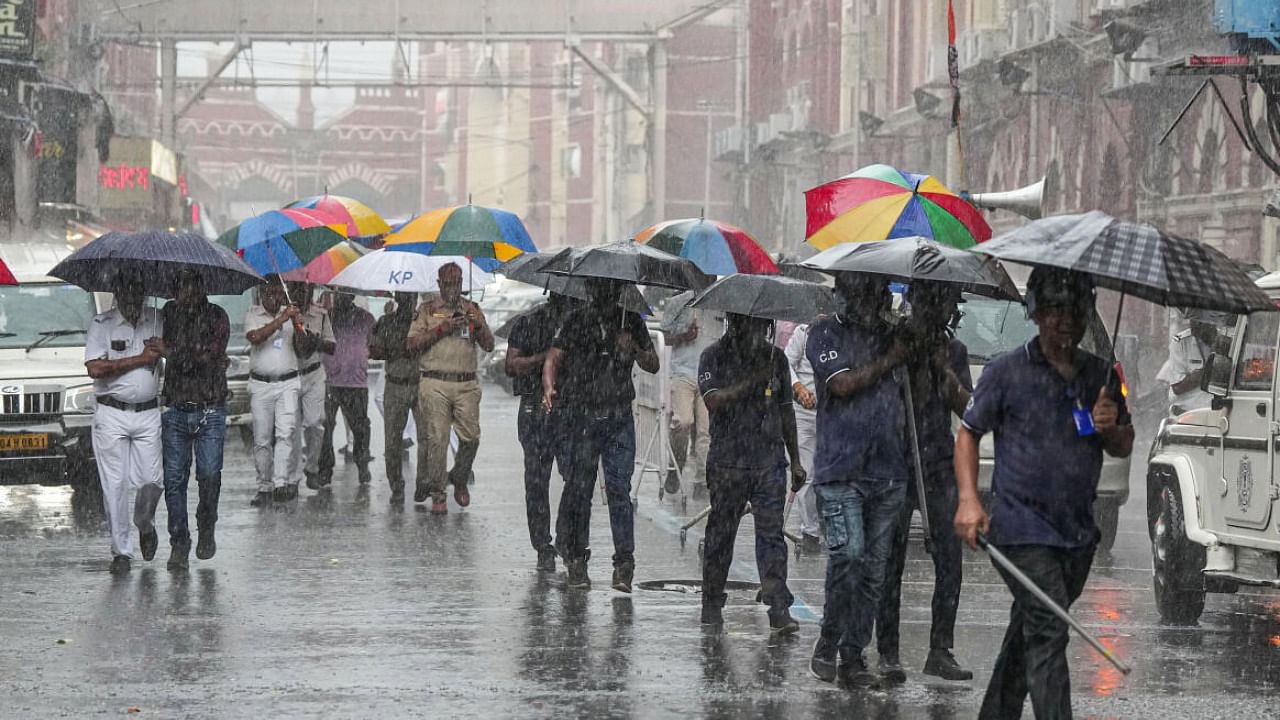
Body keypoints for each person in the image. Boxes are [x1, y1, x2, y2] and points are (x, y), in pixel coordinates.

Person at [955, 268, 1134, 720]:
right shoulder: (1005, 371)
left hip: (1076, 533)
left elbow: (1123, 443)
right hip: (1020, 528)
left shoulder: (1100, 376)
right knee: (1049, 628)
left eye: (1073, 310)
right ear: (1035, 312)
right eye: (1054, 310)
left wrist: (1109, 425)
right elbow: (969, 433)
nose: (1065, 321)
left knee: (1033, 624)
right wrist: (969, 500)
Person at [806, 273, 910, 687]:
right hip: (840, 467)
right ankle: (828, 639)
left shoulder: (892, 335)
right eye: (859, 292)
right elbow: (844, 385)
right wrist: (890, 358)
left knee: (873, 572)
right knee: (848, 555)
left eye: (876, 291)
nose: (868, 301)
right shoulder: (823, 333)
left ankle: (852, 655)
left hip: (888, 470)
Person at [874, 282, 973, 684]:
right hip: (896, 462)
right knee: (890, 560)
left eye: (951, 304)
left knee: (950, 558)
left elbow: (967, 406)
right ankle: (888, 651)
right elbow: (881, 398)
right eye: (943, 301)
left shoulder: (953, 351)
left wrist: (939, 367)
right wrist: (904, 362)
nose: (948, 310)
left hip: (937, 462)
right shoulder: (891, 344)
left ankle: (940, 648)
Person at [543, 278, 659, 592]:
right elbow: (554, 355)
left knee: (619, 490)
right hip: (583, 416)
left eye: (611, 289)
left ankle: (624, 563)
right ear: (591, 291)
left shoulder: (631, 320)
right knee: (580, 488)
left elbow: (653, 363)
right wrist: (549, 386)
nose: (605, 296)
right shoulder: (576, 320)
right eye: (599, 289)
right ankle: (577, 560)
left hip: (618, 415)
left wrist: (632, 347)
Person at [698, 312, 806, 634]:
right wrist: (749, 383)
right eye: (748, 323)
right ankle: (712, 601)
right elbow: (714, 401)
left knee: (771, 537)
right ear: (735, 322)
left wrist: (796, 459)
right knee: (720, 534)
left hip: (768, 461)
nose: (755, 330)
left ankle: (778, 607)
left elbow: (786, 409)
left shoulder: (776, 359)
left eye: (761, 324)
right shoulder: (713, 356)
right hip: (727, 462)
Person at [85, 269, 165, 575]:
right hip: (111, 413)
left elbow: (171, 357)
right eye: (127, 291)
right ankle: (121, 551)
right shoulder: (101, 324)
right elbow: (94, 368)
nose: (133, 297)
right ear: (118, 294)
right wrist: (140, 359)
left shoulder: (158, 319)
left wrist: (164, 351)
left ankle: (145, 524)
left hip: (148, 413)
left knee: (152, 480)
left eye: (138, 291)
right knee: (115, 485)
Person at [406, 263, 493, 513]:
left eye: (457, 283)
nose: (453, 288)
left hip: (465, 383)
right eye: (448, 283)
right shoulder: (427, 310)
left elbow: (488, 345)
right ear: (439, 284)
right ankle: (438, 493)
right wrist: (442, 329)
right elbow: (412, 344)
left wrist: (480, 325)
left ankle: (460, 476)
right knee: (437, 438)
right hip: (435, 381)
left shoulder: (472, 308)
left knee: (471, 438)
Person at [159, 269, 230, 570]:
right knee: (174, 481)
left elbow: (207, 358)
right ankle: (179, 541)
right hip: (176, 407)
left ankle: (207, 523)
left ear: (201, 289)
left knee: (210, 473)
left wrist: (170, 352)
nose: (184, 294)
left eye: (189, 288)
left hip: (210, 407)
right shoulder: (167, 314)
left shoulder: (217, 316)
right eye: (179, 288)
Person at [505, 291, 576, 573]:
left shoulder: (580, 324)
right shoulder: (529, 322)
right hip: (535, 408)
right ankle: (543, 545)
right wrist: (543, 359)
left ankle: (566, 537)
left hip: (572, 409)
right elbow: (511, 365)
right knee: (536, 480)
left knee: (576, 478)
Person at [245, 276, 303, 505]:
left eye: (278, 293)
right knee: (261, 437)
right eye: (269, 293)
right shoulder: (253, 314)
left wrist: (298, 324)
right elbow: (256, 337)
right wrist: (282, 319)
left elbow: (304, 348)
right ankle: (264, 485)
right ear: (261, 293)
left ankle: (281, 482)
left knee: (286, 433)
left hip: (288, 383)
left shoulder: (290, 313)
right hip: (261, 385)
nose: (274, 297)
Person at [660, 290, 723, 496]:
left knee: (706, 431)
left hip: (710, 375)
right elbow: (665, 336)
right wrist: (683, 335)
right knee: (683, 422)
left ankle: (702, 479)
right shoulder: (679, 302)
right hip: (683, 373)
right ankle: (675, 464)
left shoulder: (721, 302)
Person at [370, 292, 425, 504]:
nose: (407, 301)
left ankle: (423, 483)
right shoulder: (385, 321)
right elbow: (374, 350)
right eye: (403, 297)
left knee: (427, 439)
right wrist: (393, 346)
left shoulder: (422, 320)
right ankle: (396, 485)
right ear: (397, 298)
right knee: (392, 442)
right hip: (395, 383)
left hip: (419, 383)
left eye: (411, 297)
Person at [318, 291, 375, 487]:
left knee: (360, 428)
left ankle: (362, 465)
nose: (341, 297)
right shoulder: (327, 316)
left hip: (356, 382)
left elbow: (373, 345)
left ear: (352, 296)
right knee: (326, 427)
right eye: (338, 293)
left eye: (345, 294)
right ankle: (325, 469)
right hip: (330, 381)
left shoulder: (366, 318)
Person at [287, 282, 335, 490]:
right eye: (296, 290)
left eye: (305, 290)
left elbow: (331, 346)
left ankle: (312, 467)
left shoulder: (321, 315)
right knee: (292, 428)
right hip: (290, 374)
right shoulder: (284, 315)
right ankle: (293, 476)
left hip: (314, 373)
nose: (302, 294)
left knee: (315, 422)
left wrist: (315, 341)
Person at [783, 322, 821, 550]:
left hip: (834, 413)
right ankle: (811, 532)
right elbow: (785, 363)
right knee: (804, 472)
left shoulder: (844, 334)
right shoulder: (803, 332)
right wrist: (798, 387)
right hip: (803, 413)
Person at [1156, 309, 1227, 412]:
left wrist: (1215, 347)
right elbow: (1178, 387)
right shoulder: (1180, 343)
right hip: (1186, 412)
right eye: (1193, 319)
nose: (1194, 324)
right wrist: (1208, 371)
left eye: (1200, 321)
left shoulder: (1224, 342)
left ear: (1212, 323)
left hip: (1214, 411)